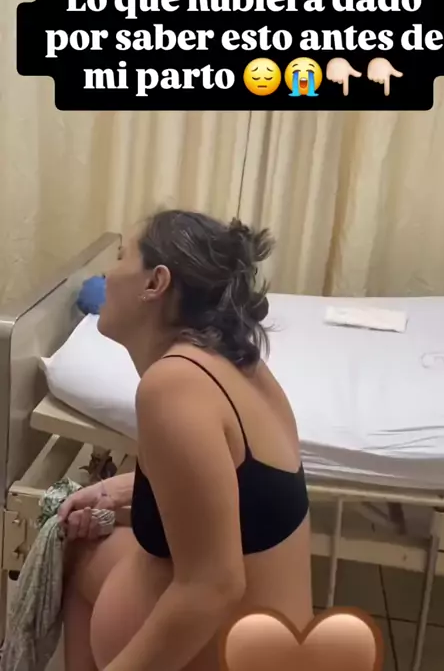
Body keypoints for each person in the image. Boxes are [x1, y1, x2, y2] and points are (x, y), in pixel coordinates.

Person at [59, 209, 313, 671]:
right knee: (81, 550)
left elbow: (214, 586)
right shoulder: (237, 361)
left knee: (88, 554)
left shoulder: (172, 386)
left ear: (155, 283)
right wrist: (119, 489)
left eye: (121, 257)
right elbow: (240, 490)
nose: (106, 275)